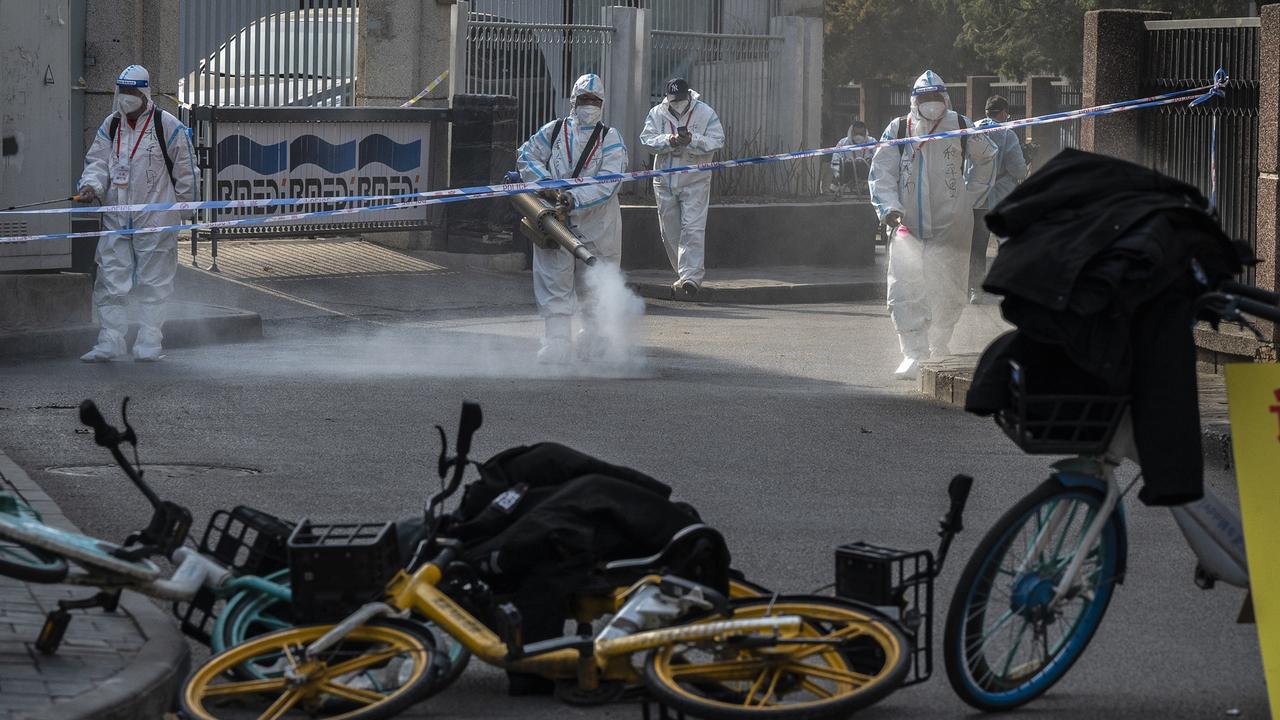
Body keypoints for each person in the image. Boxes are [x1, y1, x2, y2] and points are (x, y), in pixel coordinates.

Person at [868, 70, 996, 380]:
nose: (930, 104)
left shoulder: (961, 126)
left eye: (935, 98)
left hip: (952, 224)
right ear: (914, 101)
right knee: (904, 288)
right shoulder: (899, 129)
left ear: (945, 99)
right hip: (906, 224)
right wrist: (889, 208)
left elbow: (987, 156)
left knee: (949, 286)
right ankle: (912, 352)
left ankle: (938, 345)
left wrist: (969, 196)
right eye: (924, 98)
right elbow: (882, 172)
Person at [76, 64, 197, 362]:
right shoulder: (111, 126)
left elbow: (186, 171)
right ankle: (111, 340)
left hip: (155, 220)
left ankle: (149, 341)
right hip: (116, 217)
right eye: (122, 91)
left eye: (132, 92)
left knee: (154, 283)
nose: (126, 98)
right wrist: (91, 186)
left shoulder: (167, 126)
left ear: (144, 92)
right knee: (110, 279)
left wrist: (185, 208)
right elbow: (98, 162)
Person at [517, 73, 628, 363]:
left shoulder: (610, 138)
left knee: (597, 281)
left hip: (599, 224)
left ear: (602, 103)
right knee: (553, 278)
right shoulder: (553, 131)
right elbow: (527, 157)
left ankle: (593, 338)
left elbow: (609, 181)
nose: (589, 104)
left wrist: (574, 198)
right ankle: (556, 341)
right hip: (557, 220)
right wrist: (550, 188)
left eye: (595, 100)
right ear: (573, 101)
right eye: (584, 99)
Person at [639, 78, 724, 296]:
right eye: (673, 100)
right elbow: (647, 140)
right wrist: (671, 141)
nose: (677, 104)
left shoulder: (705, 113)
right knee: (670, 231)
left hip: (695, 179)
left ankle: (691, 278)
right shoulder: (657, 113)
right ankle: (683, 273)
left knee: (693, 228)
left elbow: (717, 140)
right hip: (665, 181)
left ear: (689, 96)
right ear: (667, 98)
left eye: (681, 100)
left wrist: (692, 140)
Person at [969, 95, 1027, 303]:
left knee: (977, 244)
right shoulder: (1007, 134)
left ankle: (974, 289)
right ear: (1003, 112)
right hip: (1000, 197)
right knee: (1006, 241)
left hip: (974, 198)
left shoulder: (970, 129)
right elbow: (1018, 169)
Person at [829, 117, 874, 192]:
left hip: (866, 174)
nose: (858, 136)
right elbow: (835, 161)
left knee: (863, 162)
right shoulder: (843, 143)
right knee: (848, 163)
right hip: (847, 174)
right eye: (856, 133)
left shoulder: (872, 142)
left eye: (861, 134)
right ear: (851, 132)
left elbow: (879, 159)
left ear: (865, 133)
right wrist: (837, 174)